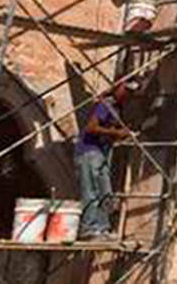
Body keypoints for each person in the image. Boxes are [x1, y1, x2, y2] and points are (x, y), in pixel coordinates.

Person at [75, 81, 132, 240]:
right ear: (117, 88)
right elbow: (91, 128)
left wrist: (120, 134)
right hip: (88, 152)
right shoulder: (105, 105)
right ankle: (89, 228)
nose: (127, 94)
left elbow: (108, 133)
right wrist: (116, 133)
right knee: (91, 190)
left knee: (105, 191)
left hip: (101, 152)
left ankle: (102, 228)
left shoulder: (117, 109)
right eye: (125, 89)